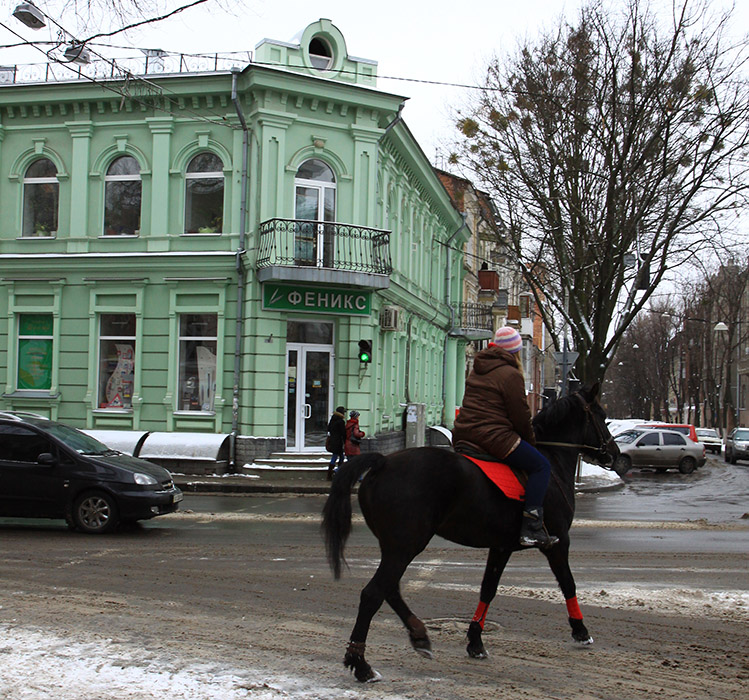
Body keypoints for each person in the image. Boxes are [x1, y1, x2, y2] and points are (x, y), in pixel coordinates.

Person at [452, 326, 558, 548]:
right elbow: (520, 415)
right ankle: (531, 528)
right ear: (515, 352)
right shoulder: (510, 374)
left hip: (464, 432)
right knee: (540, 466)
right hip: (494, 436)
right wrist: (530, 442)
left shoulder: (478, 368)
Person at [326, 406, 347, 480]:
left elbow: (328, 428)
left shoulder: (332, 419)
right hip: (338, 441)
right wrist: (345, 441)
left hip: (332, 440)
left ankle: (330, 473)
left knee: (336, 456)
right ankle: (337, 472)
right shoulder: (341, 421)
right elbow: (343, 433)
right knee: (339, 456)